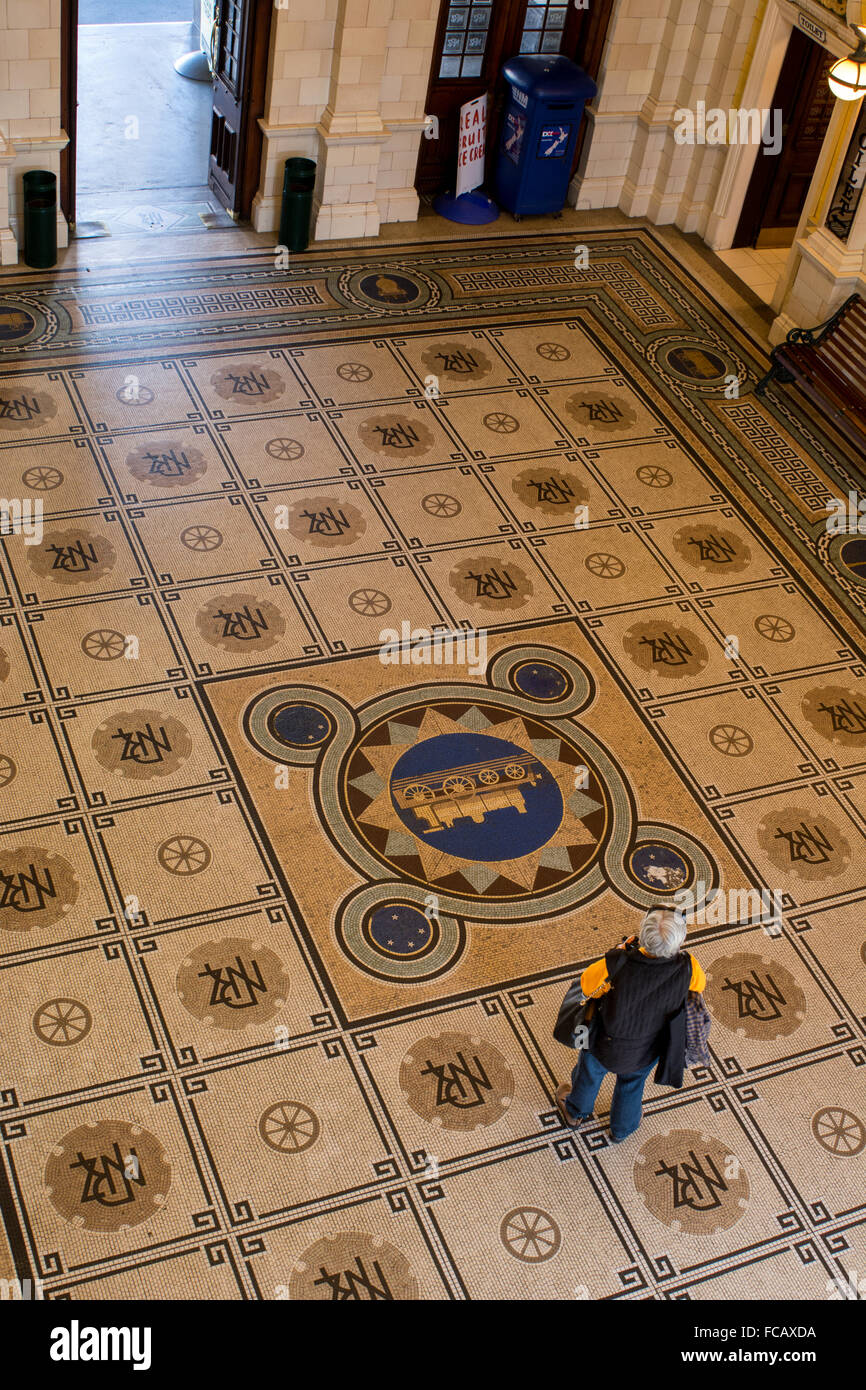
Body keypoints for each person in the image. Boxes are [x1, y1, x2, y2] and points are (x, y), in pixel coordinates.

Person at [555, 906, 706, 1142]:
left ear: (643, 935)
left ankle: (575, 1113)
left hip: (603, 1042)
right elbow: (697, 988)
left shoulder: (617, 962)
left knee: (588, 1076)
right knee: (632, 1085)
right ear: (680, 940)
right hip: (648, 1047)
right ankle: (622, 1129)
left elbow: (586, 985)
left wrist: (620, 952)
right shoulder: (689, 967)